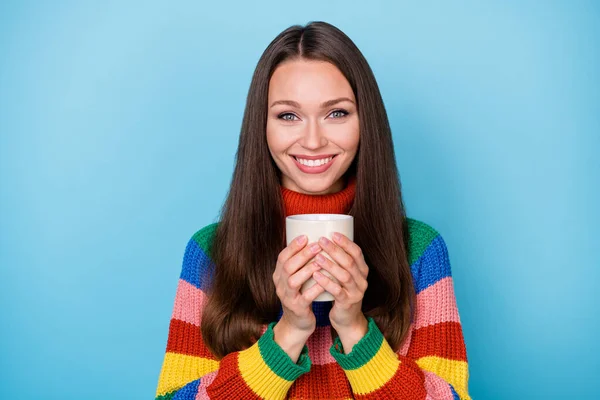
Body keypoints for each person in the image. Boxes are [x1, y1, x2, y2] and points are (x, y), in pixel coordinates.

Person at [154, 21, 471, 400]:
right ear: (263, 126)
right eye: (288, 116)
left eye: (336, 113)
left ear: (365, 121)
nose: (313, 140)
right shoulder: (212, 253)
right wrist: (288, 333)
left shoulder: (420, 251)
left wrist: (354, 328)